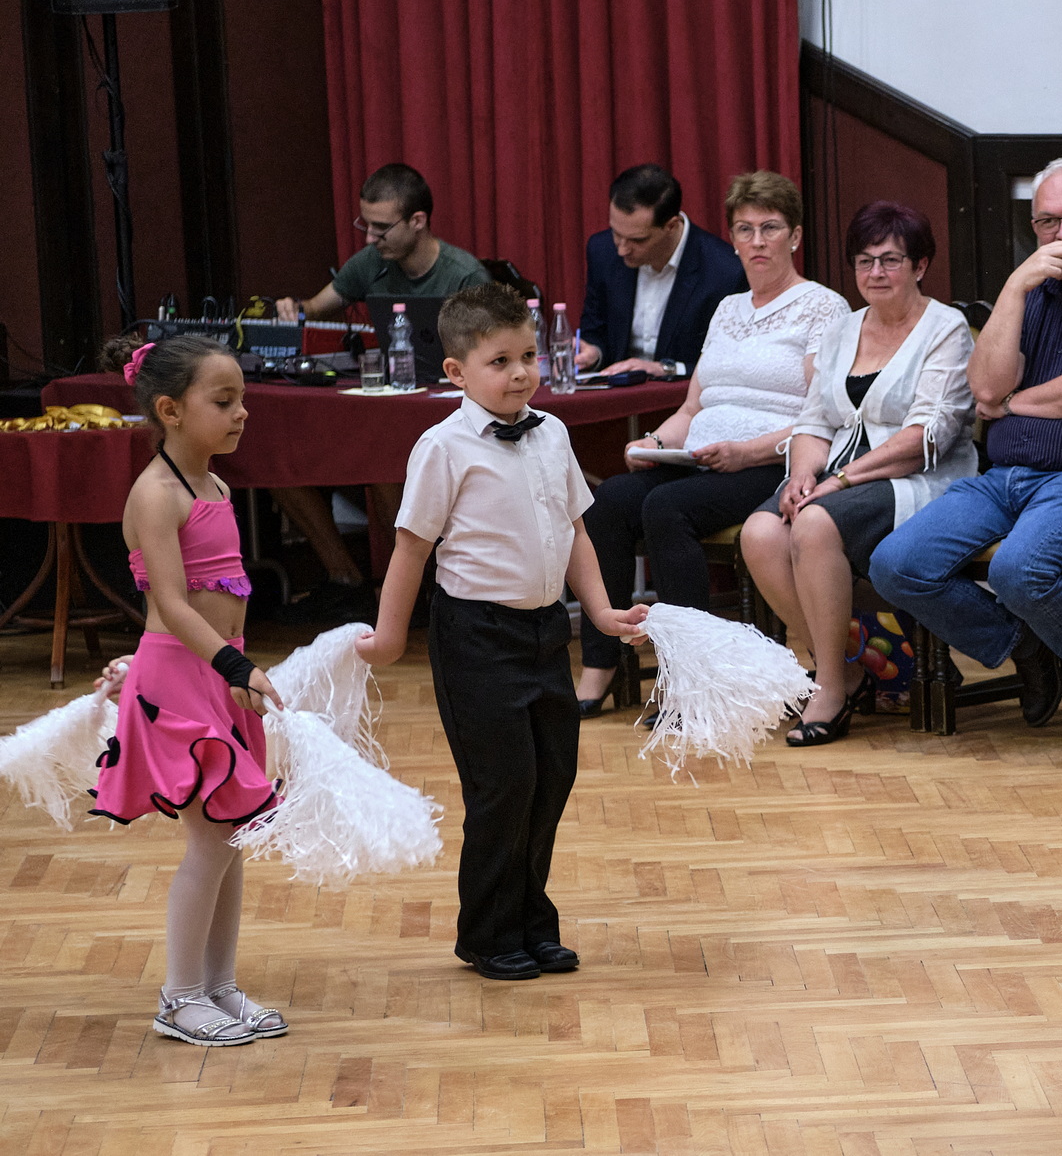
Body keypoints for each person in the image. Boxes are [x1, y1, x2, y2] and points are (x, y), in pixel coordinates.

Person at [356, 284, 648, 982]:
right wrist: (390, 635)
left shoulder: (553, 433)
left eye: (528, 357)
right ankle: (488, 932)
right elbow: (411, 547)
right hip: (476, 636)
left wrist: (601, 613)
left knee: (551, 777)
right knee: (503, 785)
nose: (520, 374)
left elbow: (576, 531)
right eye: (500, 362)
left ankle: (530, 920)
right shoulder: (442, 447)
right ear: (456, 372)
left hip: (546, 631)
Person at [870, 158, 1062, 726]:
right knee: (895, 564)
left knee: (1018, 570)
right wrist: (1013, 288)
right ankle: (1026, 646)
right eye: (1048, 222)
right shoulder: (1032, 291)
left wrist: (1012, 403)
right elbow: (984, 386)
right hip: (1003, 477)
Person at [575, 172, 849, 717]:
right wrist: (654, 441)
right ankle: (601, 661)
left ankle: (692, 681)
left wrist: (748, 452)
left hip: (773, 460)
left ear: (795, 236)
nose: (757, 241)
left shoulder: (823, 307)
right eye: (744, 229)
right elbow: (692, 409)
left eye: (770, 228)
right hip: (701, 459)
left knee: (666, 507)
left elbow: (822, 416)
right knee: (607, 502)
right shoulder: (728, 308)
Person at [91, 331, 288, 1047]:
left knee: (230, 837)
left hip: (217, 678)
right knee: (209, 841)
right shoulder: (156, 493)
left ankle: (219, 985)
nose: (241, 413)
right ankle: (179, 998)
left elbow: (219, 599)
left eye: (242, 400)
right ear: (170, 410)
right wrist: (233, 668)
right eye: (223, 401)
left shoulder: (218, 487)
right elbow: (171, 605)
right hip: (184, 679)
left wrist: (233, 669)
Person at [740, 202, 976, 746]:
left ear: (920, 266)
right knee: (760, 532)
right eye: (865, 261)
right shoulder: (844, 328)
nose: (876, 273)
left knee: (814, 523)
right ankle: (844, 669)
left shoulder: (945, 328)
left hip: (916, 476)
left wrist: (837, 483)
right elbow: (815, 418)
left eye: (890, 260)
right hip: (836, 471)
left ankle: (827, 688)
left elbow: (926, 436)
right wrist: (802, 475)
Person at [271, 164, 492, 622]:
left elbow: (490, 356)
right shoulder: (371, 263)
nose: (370, 238)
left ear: (418, 221)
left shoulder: (464, 275)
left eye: (381, 227)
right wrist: (295, 310)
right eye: (365, 225)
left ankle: (410, 589)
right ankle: (346, 579)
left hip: (448, 412)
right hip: (384, 404)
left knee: (385, 457)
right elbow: (315, 308)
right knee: (280, 455)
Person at [575, 163, 748, 377]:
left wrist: (667, 369)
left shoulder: (724, 271)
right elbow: (595, 330)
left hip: (683, 392)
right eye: (616, 234)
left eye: (638, 240)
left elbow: (730, 362)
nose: (622, 249)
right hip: (617, 389)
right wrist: (594, 353)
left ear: (671, 226)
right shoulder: (602, 251)